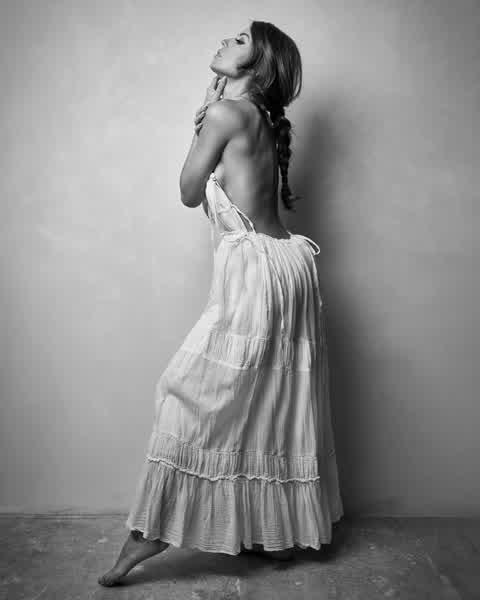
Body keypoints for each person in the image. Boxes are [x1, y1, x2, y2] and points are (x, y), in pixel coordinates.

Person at [98, 19, 343, 587]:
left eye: (239, 40)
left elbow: (189, 192)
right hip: (290, 265)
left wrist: (205, 114)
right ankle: (273, 532)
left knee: (200, 397)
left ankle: (152, 530)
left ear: (256, 65)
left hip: (257, 270)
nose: (225, 40)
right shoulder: (258, 118)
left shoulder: (227, 114)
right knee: (269, 401)